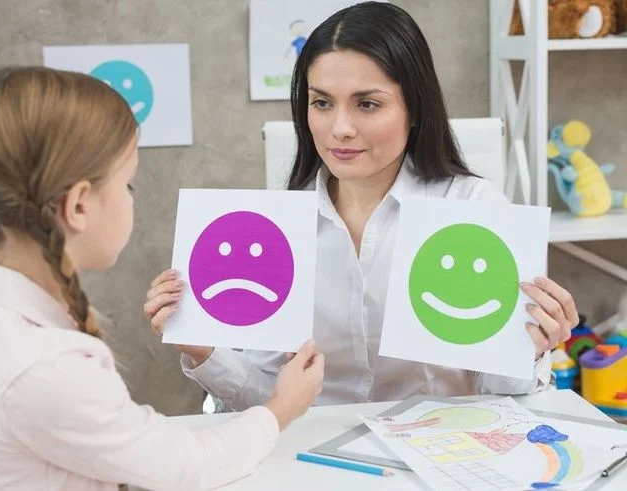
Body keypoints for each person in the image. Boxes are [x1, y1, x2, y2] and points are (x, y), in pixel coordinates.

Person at [0, 66, 324, 491]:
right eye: (129, 185)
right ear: (79, 206)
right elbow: (183, 467)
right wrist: (281, 407)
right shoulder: (44, 368)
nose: (131, 199)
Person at [144, 2, 578, 411]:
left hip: (440, 453)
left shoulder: (474, 209)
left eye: (367, 104)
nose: (341, 129)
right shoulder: (278, 228)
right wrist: (204, 350)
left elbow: (502, 397)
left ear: (414, 110)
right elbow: (266, 403)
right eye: (322, 103)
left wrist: (530, 347)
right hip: (312, 456)